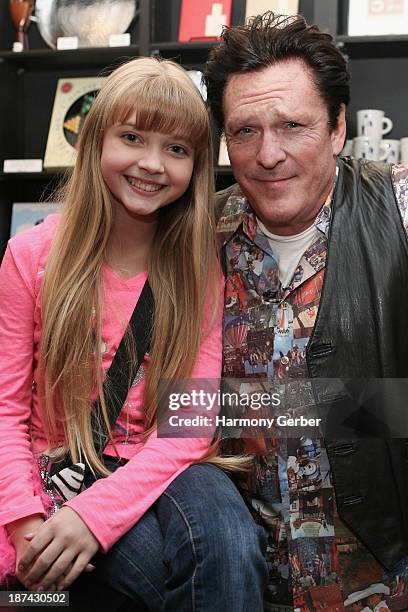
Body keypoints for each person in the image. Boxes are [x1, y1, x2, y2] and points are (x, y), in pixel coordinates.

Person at [0, 57, 268, 610]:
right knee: (160, 583)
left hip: (165, 465)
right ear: (96, 141)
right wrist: (30, 525)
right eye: (132, 137)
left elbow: (188, 428)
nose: (152, 164)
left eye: (176, 149)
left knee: (231, 542)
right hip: (62, 468)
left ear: (196, 167)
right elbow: (6, 410)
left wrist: (94, 517)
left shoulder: (199, 272)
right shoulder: (31, 257)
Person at [204, 11, 408, 611]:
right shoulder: (194, 236)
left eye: (293, 125)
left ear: (339, 126)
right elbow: (171, 410)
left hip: (383, 584)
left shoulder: (397, 205)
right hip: (241, 584)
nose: (268, 155)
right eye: (244, 131)